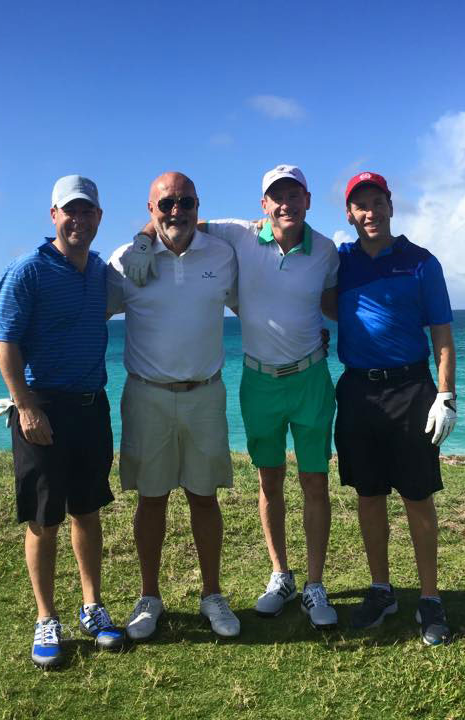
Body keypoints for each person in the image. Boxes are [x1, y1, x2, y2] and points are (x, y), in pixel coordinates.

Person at [123, 165, 341, 631]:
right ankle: (279, 575)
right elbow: (169, 221)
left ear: (308, 199)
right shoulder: (236, 237)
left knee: (314, 483)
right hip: (254, 381)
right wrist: (143, 242)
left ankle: (313, 585)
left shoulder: (324, 250)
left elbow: (336, 302)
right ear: (263, 205)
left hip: (306, 378)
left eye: (293, 195)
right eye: (275, 197)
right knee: (266, 482)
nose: (285, 204)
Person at [0, 175, 124, 668]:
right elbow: (4, 338)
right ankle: (47, 618)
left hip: (91, 404)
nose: (78, 220)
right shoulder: (29, 270)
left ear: (98, 218)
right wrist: (24, 405)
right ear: (53, 215)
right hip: (41, 406)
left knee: (87, 510)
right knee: (44, 518)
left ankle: (92, 607)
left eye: (87, 211)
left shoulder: (100, 271)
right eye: (70, 211)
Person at [107, 172, 241, 641]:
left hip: (205, 392)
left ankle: (212, 594)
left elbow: (260, 303)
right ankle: (149, 596)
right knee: (152, 496)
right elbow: (85, 311)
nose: (175, 211)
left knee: (204, 496)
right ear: (150, 210)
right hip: (147, 394)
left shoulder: (222, 254)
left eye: (185, 202)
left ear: (197, 206)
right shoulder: (127, 262)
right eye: (165, 204)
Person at [325, 171, 457, 645]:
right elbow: (319, 299)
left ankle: (429, 597)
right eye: (360, 205)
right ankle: (381, 590)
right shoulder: (339, 262)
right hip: (358, 391)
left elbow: (441, 333)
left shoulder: (421, 262)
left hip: (411, 390)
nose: (370, 212)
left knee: (417, 496)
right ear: (349, 214)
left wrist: (446, 396)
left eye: (377, 202)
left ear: (390, 205)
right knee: (369, 494)